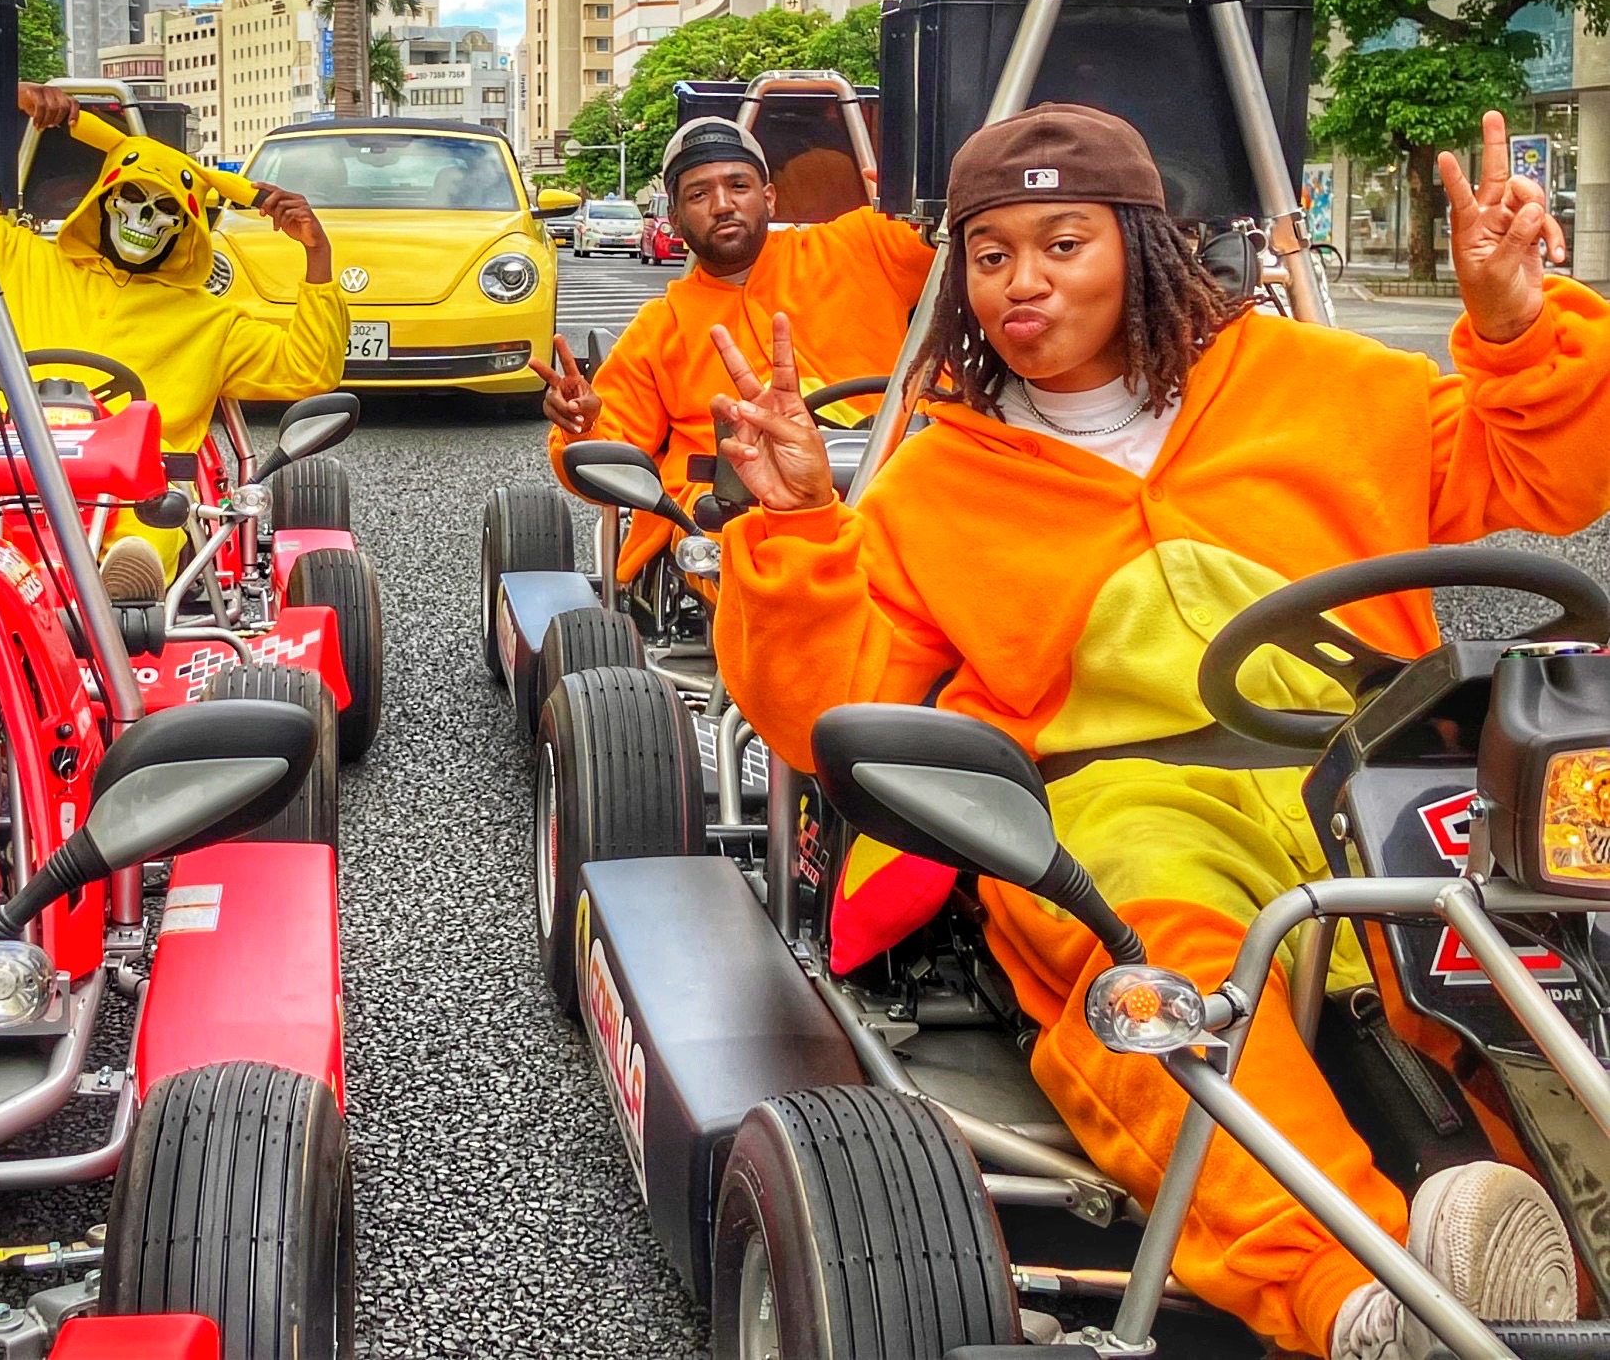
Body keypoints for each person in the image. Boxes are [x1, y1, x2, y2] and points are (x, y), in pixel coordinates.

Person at [709, 102, 1610, 1360]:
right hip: (1122, 798)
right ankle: (1352, 1297)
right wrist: (802, 524)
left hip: (1373, 770)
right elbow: (819, 712)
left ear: (1141, 245)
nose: (1022, 283)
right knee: (1166, 974)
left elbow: (1550, 477)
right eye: (990, 255)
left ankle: (1550, 1245)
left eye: (1061, 244)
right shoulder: (936, 481)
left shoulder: (1329, 384)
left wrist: (1515, 326)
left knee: (1520, 943)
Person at [0, 83, 347, 599]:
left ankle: (122, 597)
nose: (145, 218)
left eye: (165, 207)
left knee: (153, 522)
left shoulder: (210, 319)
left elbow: (311, 369)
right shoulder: (18, 258)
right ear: (104, 201)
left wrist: (317, 255)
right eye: (133, 198)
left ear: (186, 227)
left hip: (134, 490)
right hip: (0, 469)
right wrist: (11, 98)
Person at [534, 114, 932, 588]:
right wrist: (581, 425)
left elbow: (978, 245)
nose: (723, 205)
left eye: (738, 186)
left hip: (889, 485)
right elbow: (610, 450)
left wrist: (936, 204)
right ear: (674, 219)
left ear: (769, 198)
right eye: (699, 194)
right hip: (730, 525)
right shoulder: (660, 328)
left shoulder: (863, 243)